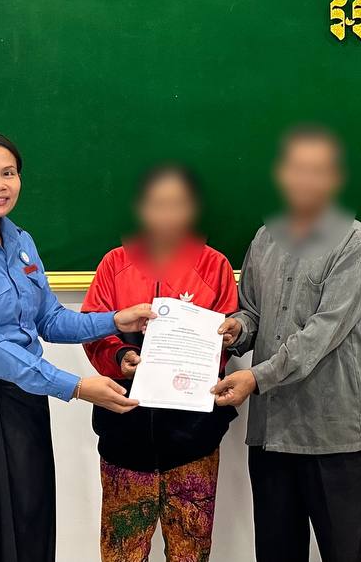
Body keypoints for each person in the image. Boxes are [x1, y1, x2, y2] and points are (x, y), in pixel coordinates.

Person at [0, 130, 155, 562]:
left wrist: (115, 319)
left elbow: (49, 320)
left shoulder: (20, 242)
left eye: (9, 173)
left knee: (30, 527)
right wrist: (77, 387)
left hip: (22, 402)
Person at [212, 125, 361, 562]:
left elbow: (321, 334)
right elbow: (252, 311)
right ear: (282, 175)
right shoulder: (264, 239)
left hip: (332, 435)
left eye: (317, 170)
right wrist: (236, 329)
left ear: (335, 179)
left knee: (349, 553)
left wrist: (254, 378)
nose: (306, 180)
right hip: (271, 433)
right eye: (297, 169)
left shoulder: (354, 242)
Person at [82, 163, 239, 562]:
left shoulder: (214, 265)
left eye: (178, 204)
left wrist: (215, 343)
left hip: (193, 439)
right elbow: (93, 327)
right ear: (141, 209)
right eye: (157, 204)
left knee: (191, 550)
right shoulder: (115, 263)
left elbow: (224, 339)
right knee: (121, 550)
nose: (167, 215)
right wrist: (122, 356)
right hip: (124, 432)